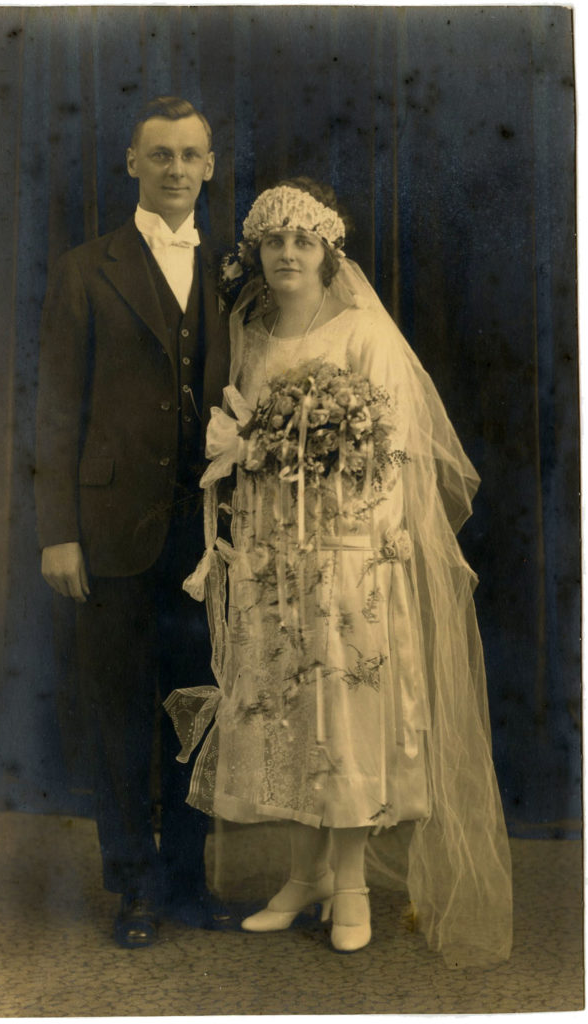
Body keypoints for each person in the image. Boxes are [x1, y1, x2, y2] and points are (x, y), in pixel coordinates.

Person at [165, 179, 513, 966]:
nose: (287, 253)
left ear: (330, 250)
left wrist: (309, 480)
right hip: (267, 557)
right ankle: (304, 875)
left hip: (345, 557)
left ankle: (349, 882)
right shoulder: (246, 329)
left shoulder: (362, 333)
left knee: (342, 717)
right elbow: (233, 431)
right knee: (288, 716)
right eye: (274, 240)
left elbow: (389, 455)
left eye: (304, 240)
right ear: (257, 248)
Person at [35, 96, 230, 948]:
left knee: (197, 709)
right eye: (160, 155)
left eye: (190, 155)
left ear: (210, 166)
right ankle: (135, 891)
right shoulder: (86, 269)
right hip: (109, 530)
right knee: (118, 713)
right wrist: (57, 531)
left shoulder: (233, 272)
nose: (176, 169)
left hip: (207, 536)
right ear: (131, 164)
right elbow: (54, 407)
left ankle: (188, 886)